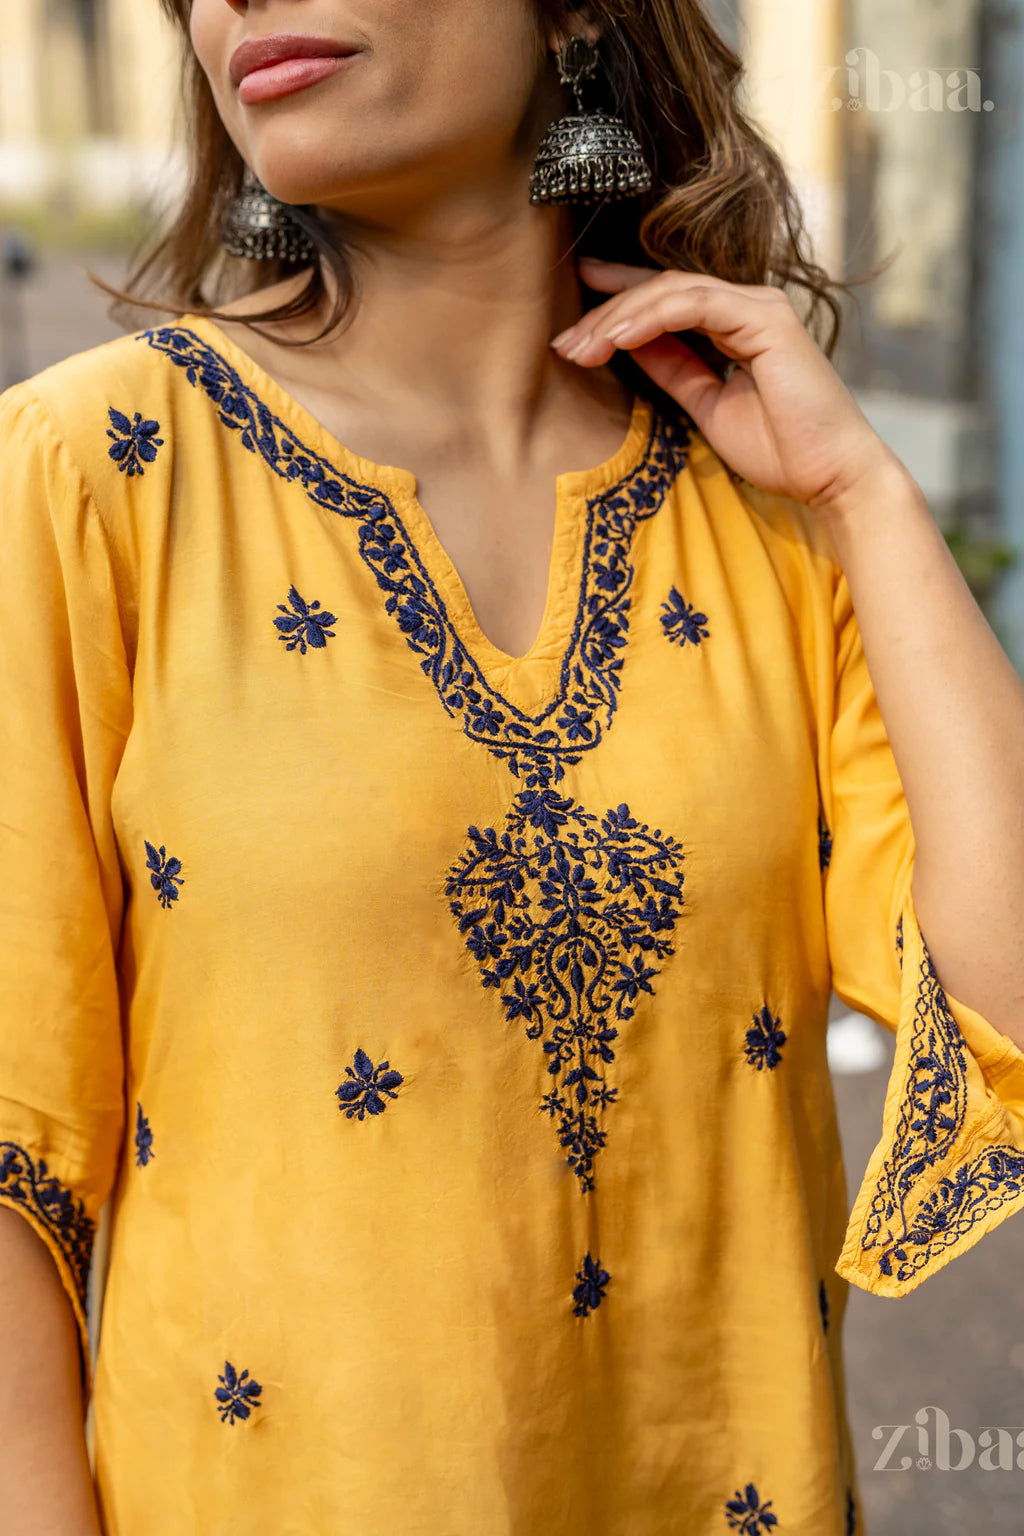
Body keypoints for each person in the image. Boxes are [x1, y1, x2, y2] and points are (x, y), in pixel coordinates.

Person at [3, 1, 1024, 1532]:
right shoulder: (89, 480)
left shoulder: (769, 520)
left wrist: (861, 494)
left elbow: (1006, 999)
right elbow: (14, 1157)